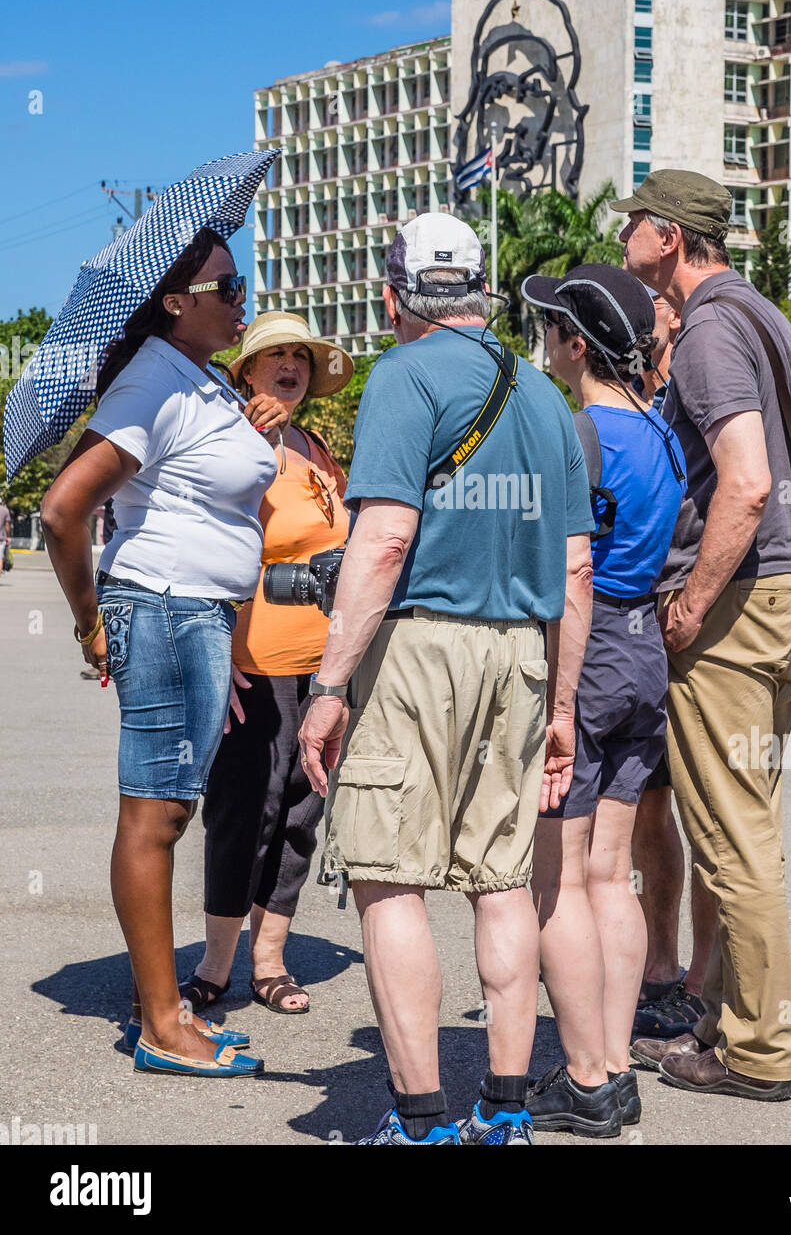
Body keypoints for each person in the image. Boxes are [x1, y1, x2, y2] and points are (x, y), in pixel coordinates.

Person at [297, 212, 595, 1145]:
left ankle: (420, 1119)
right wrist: (562, 705)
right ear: (481, 290)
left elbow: (383, 540)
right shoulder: (547, 397)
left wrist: (329, 687)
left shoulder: (401, 377)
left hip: (419, 649)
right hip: (520, 652)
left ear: (395, 296)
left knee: (391, 881)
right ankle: (503, 1111)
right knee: (502, 881)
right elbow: (577, 569)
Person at [610, 170, 791, 1100]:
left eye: (634, 220)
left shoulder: (706, 329)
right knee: (753, 825)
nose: (623, 232)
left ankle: (751, 1049)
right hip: (781, 595)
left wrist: (697, 594)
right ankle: (735, 1017)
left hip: (737, 607)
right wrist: (778, 551)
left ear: (667, 236)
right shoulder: (766, 318)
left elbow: (745, 481)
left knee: (732, 834)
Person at [40, 228, 289, 1078]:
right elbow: (62, 510)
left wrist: (256, 420)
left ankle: (169, 1008)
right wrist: (89, 618)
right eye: (226, 286)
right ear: (175, 302)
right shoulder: (152, 378)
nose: (241, 296)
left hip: (198, 616)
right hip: (165, 608)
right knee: (155, 816)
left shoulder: (199, 379)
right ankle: (159, 1023)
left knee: (171, 810)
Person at [520, 264, 685, 1138]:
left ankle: (585, 1075)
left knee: (558, 882)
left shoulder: (576, 431)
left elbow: (564, 568)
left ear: (575, 342)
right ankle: (616, 1060)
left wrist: (552, 695)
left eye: (549, 331)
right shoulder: (659, 433)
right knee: (609, 874)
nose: (543, 346)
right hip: (644, 650)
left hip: (584, 653)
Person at [179, 312, 354, 1018]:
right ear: (245, 370)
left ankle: (271, 959)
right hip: (254, 664)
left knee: (300, 816)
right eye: (275, 355)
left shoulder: (317, 446)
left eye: (302, 357)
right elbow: (200, 545)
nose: (290, 366)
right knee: (242, 815)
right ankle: (215, 963)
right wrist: (213, 655)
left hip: (325, 666)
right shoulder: (233, 442)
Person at [629, 293, 718, 1041]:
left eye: (664, 300)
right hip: (641, 622)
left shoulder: (714, 384)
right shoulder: (635, 398)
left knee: (712, 812)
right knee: (651, 806)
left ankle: (703, 979)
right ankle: (659, 967)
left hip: (697, 617)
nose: (660, 312)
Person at [0, 495, 11, 572]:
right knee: (0, 557)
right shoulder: (5, 510)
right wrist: (8, 536)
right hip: (1, 537)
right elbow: (7, 525)